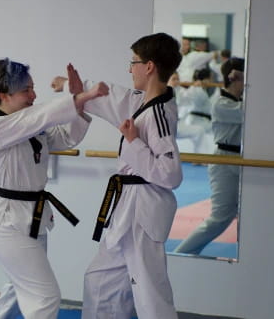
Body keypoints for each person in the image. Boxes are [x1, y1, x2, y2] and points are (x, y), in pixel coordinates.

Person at [53, 32, 182, 319]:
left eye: (133, 62)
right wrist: (75, 90)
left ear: (149, 66)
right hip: (128, 206)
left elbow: (170, 174)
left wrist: (133, 141)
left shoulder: (160, 113)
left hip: (144, 207)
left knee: (150, 295)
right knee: (100, 281)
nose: (129, 68)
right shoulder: (143, 102)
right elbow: (114, 98)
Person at [0, 58, 108, 319]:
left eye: (33, 87)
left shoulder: (28, 125)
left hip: (33, 217)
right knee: (44, 297)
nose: (34, 95)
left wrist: (78, 102)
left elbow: (64, 137)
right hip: (8, 223)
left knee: (19, 290)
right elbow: (39, 116)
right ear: (3, 95)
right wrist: (82, 96)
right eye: (26, 90)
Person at [174, 57, 245, 255]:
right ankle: (180, 254)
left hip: (241, 162)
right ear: (235, 77)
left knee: (247, 214)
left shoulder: (238, 101)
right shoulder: (221, 103)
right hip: (224, 161)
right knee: (219, 219)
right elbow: (250, 113)